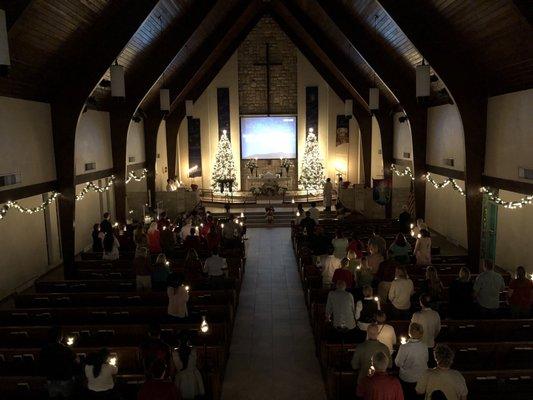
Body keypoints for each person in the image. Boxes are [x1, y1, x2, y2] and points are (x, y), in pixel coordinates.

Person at [39, 327, 77, 399]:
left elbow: (41, 363)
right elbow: (76, 360)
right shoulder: (65, 349)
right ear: (60, 338)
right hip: (64, 379)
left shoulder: (44, 350)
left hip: (51, 379)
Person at [395, 322, 428, 400]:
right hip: (420, 377)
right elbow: (426, 360)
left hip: (407, 379)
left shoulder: (404, 347)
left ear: (409, 332)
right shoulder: (424, 346)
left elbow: (398, 363)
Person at [172, 331, 205, 399]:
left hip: (180, 379)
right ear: (188, 340)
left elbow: (172, 369)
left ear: (178, 340)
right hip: (193, 377)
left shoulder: (174, 353)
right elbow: (199, 366)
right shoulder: (194, 350)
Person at [411, 294, 441, 366]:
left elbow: (412, 330)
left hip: (419, 344)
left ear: (421, 303)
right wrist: (432, 337)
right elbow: (438, 329)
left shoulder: (416, 315)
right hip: (430, 343)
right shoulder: (436, 314)